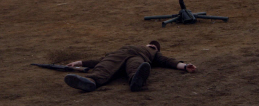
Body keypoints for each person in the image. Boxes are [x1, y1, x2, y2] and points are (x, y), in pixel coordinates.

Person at [64, 40, 196, 92]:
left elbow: (168, 61)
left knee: (136, 68)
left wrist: (184, 66)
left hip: (136, 58)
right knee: (103, 66)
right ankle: (90, 82)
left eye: (154, 46)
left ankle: (136, 81)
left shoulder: (154, 53)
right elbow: (99, 60)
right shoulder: (129, 46)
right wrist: (78, 63)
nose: (152, 46)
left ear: (156, 49)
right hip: (116, 56)